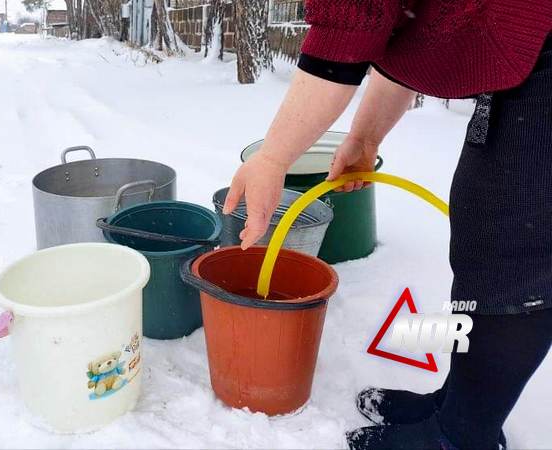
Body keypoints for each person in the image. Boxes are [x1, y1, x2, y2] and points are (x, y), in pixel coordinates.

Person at [222, 1, 552, 449]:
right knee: (485, 233)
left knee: (514, 259)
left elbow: (348, 27)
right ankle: (459, 407)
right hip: (527, 60)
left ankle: (461, 437)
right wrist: (363, 138)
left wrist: (275, 157)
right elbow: (405, 27)